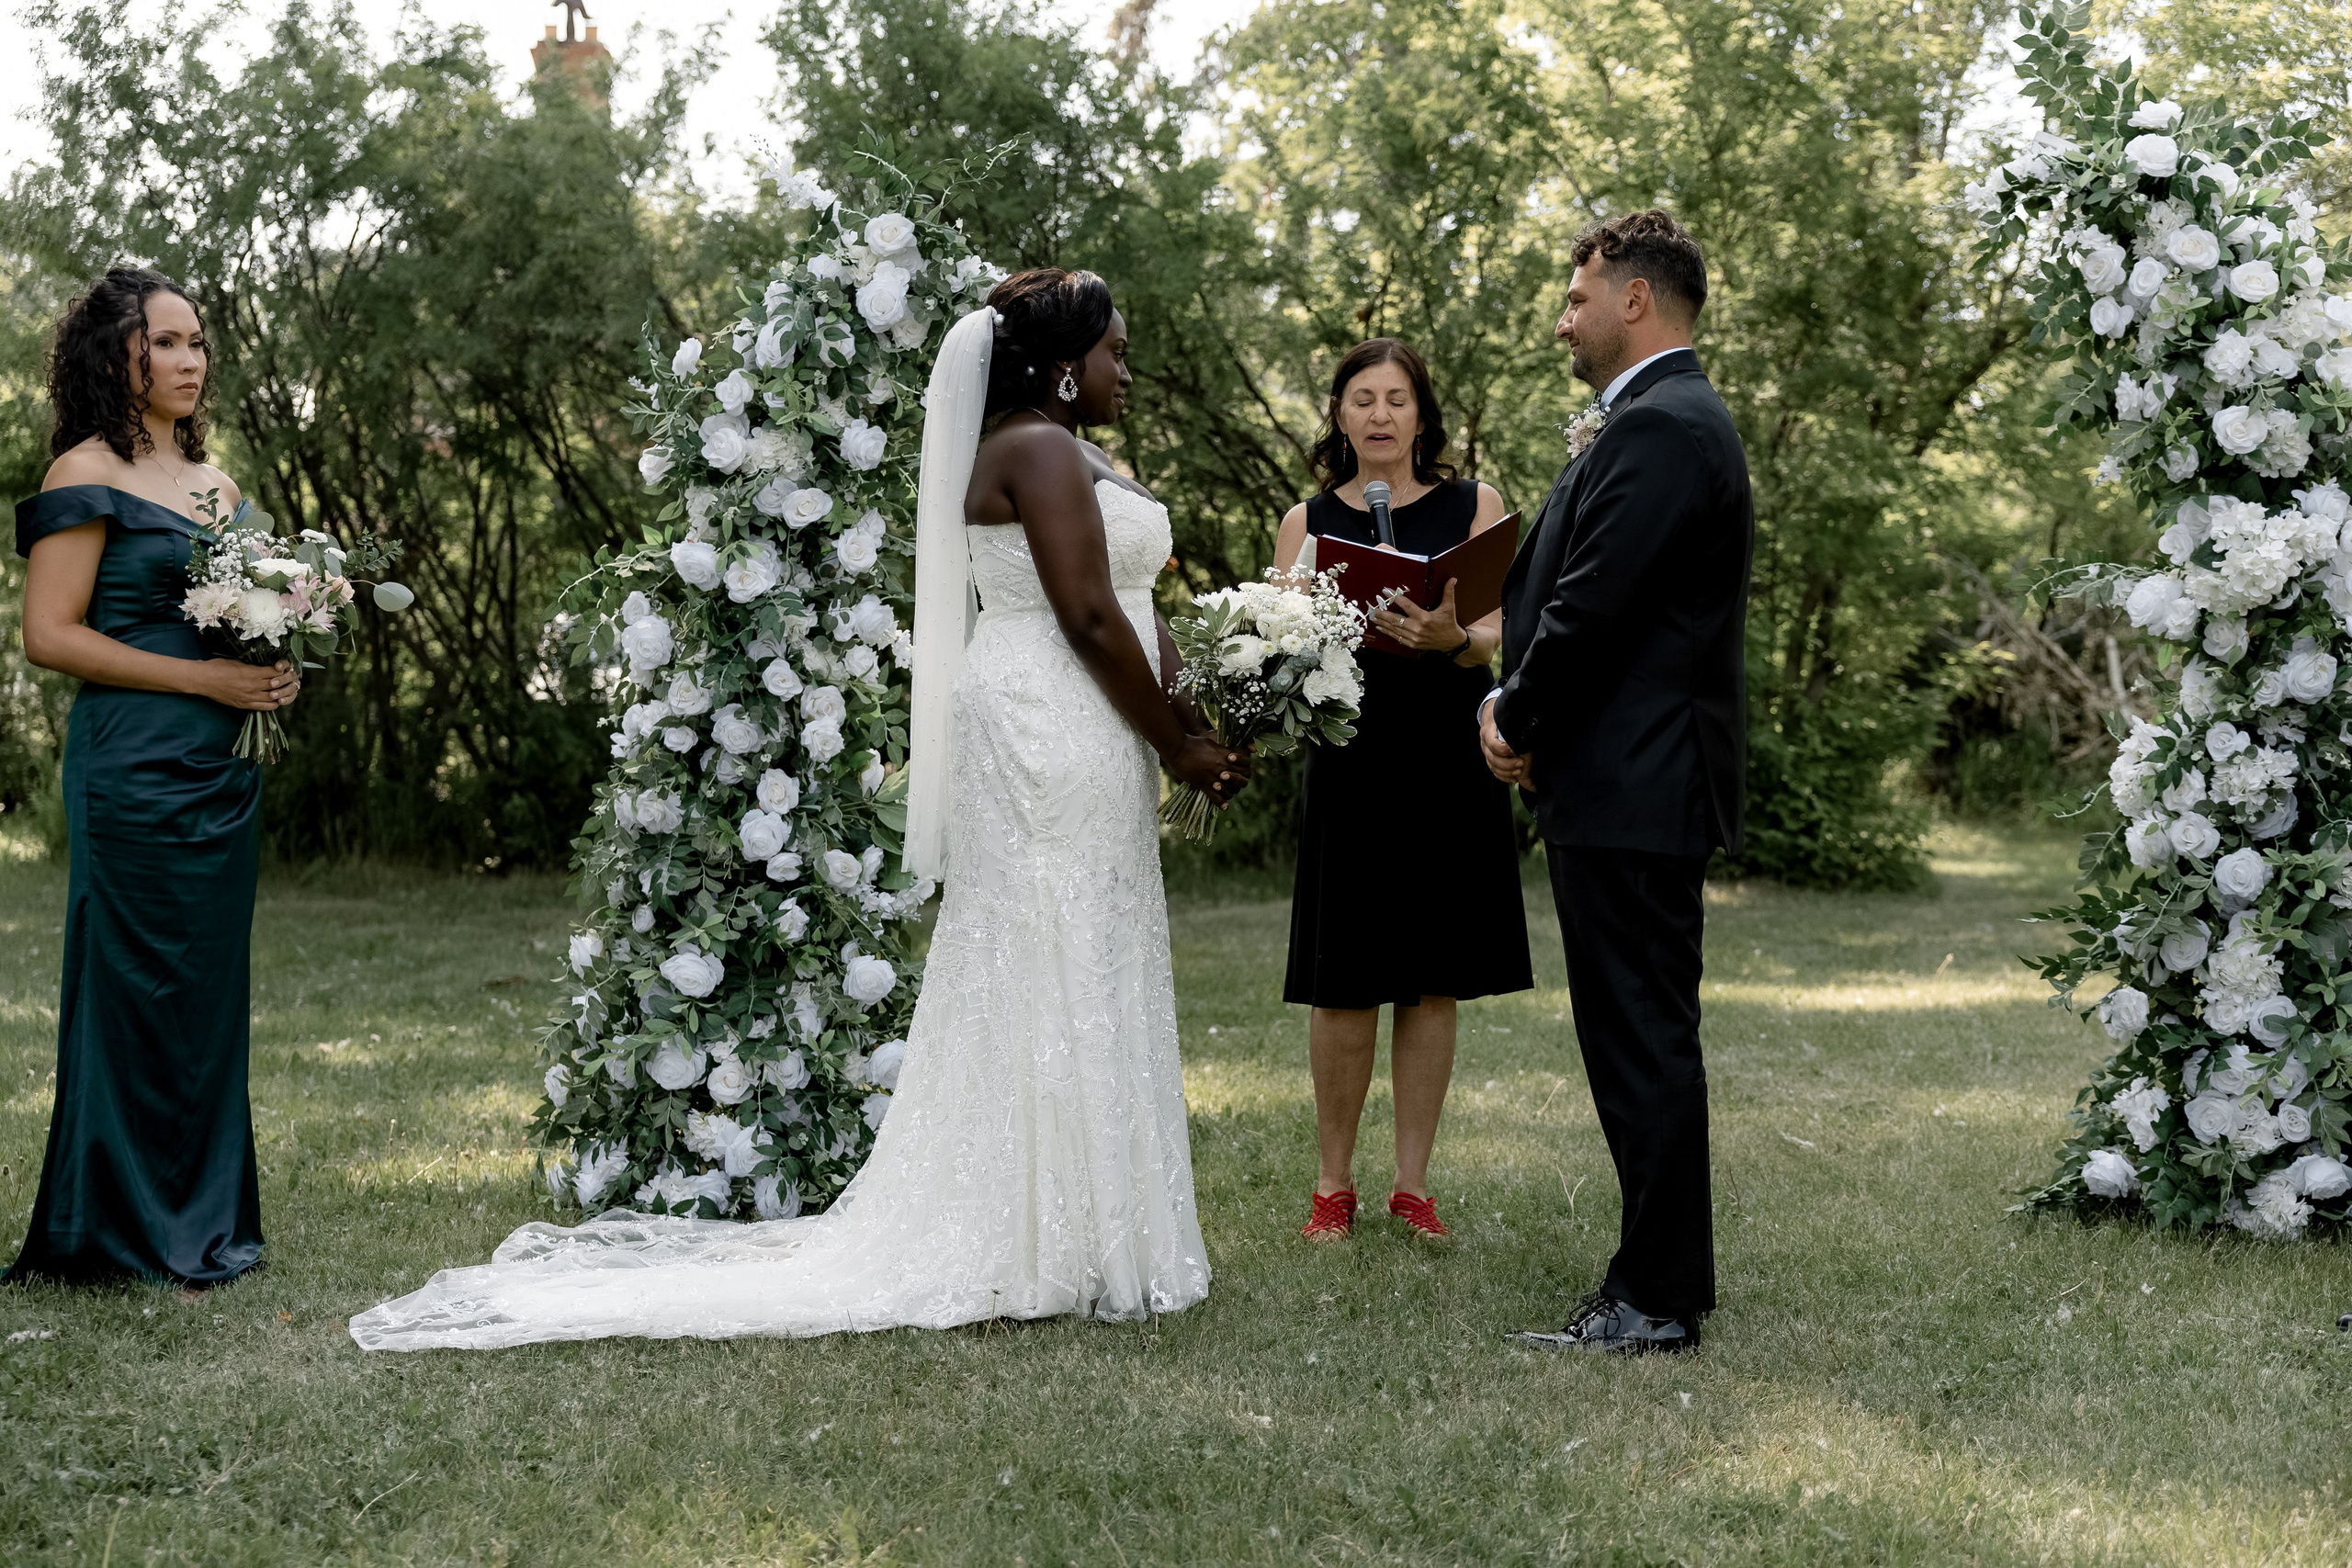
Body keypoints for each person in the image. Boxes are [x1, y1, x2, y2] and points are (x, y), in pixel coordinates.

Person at [348, 268, 1248, 1348]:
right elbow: (1091, 615)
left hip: (1099, 721)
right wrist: (1176, 744)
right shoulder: (1037, 449)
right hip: (1052, 720)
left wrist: (1197, 719)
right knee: (1047, 949)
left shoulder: (1079, 451)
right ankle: (1040, 1233)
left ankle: (1089, 1226)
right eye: (1111, 350)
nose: (1124, 368)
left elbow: (1137, 609)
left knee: (1091, 948)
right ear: (1062, 366)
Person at [1481, 210, 1752, 1355]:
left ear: (1635, 299)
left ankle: (1651, 1299)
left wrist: (1512, 708)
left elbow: (1592, 606)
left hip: (1635, 781)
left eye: (1578, 296)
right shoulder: (1657, 417)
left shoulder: (1664, 425)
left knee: (1640, 1035)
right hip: (1625, 778)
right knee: (1639, 1033)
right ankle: (1660, 1275)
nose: (1564, 318)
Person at [6, 268, 301, 1289]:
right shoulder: (81, 472)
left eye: (198, 342)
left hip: (218, 774)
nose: (189, 361)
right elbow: (50, 637)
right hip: (130, 766)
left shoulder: (218, 485)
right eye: (166, 342)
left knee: (203, 996)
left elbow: (253, 600)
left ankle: (206, 1218)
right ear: (113, 355)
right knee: (133, 985)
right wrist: (205, 676)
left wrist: (274, 662)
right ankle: (114, 1232)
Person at [1272, 339, 1532, 1243]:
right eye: (1361, 399)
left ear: (1423, 415)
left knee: (1431, 983)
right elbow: (1279, 648)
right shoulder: (1304, 521)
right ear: (1338, 416)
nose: (1379, 415)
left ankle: (1412, 1184)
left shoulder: (1476, 506)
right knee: (1344, 984)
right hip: (1350, 760)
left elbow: (1500, 632)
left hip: (1445, 763)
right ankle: (1331, 1185)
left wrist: (1450, 640)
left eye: (1397, 399)